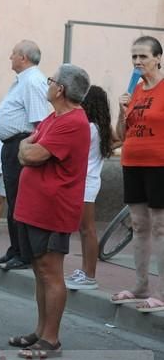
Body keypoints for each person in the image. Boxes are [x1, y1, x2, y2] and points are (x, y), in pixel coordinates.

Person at [10, 64, 91, 359]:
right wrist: (26, 147)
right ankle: (41, 331)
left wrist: (26, 148)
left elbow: (32, 153)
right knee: (39, 271)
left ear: (61, 90)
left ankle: (51, 340)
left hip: (53, 210)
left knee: (51, 272)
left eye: (52, 80)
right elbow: (27, 149)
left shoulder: (73, 122)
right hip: (35, 208)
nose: (48, 83)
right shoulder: (52, 117)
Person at [111, 36, 164, 312]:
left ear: (158, 58)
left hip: (159, 164)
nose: (137, 62)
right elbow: (120, 135)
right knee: (139, 225)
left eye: (143, 56)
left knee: (160, 226)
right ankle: (141, 285)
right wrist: (122, 112)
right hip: (132, 162)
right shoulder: (134, 91)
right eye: (134, 57)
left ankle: (161, 291)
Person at [0, 40, 51, 271]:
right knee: (13, 200)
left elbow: (39, 122)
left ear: (24, 57)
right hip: (12, 145)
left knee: (19, 201)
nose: (10, 57)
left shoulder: (33, 81)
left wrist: (28, 151)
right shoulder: (23, 80)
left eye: (13, 53)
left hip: (21, 145)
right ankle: (15, 250)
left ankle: (25, 254)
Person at [65, 86, 112, 290]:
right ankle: (85, 271)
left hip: (86, 181)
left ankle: (90, 274)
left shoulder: (89, 128)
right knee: (85, 229)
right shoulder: (101, 128)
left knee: (87, 229)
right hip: (90, 180)